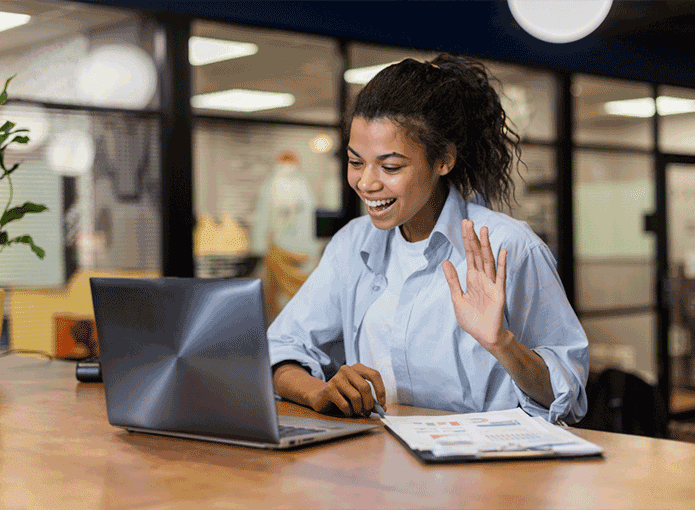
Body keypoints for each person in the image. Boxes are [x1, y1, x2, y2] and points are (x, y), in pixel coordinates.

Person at [269, 54, 589, 425]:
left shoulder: (509, 247)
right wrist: (318, 390)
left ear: (443, 161)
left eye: (390, 167)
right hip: (378, 466)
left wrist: (502, 344)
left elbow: (569, 395)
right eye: (356, 162)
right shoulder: (351, 246)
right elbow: (281, 348)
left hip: (488, 473)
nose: (367, 183)